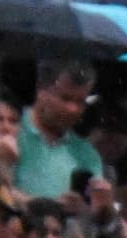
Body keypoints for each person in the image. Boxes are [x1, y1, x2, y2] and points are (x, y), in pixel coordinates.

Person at [15, 61, 101, 200]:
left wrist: (88, 210)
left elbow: (94, 209)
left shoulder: (87, 154)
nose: (73, 109)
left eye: (80, 101)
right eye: (65, 98)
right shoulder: (10, 130)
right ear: (41, 90)